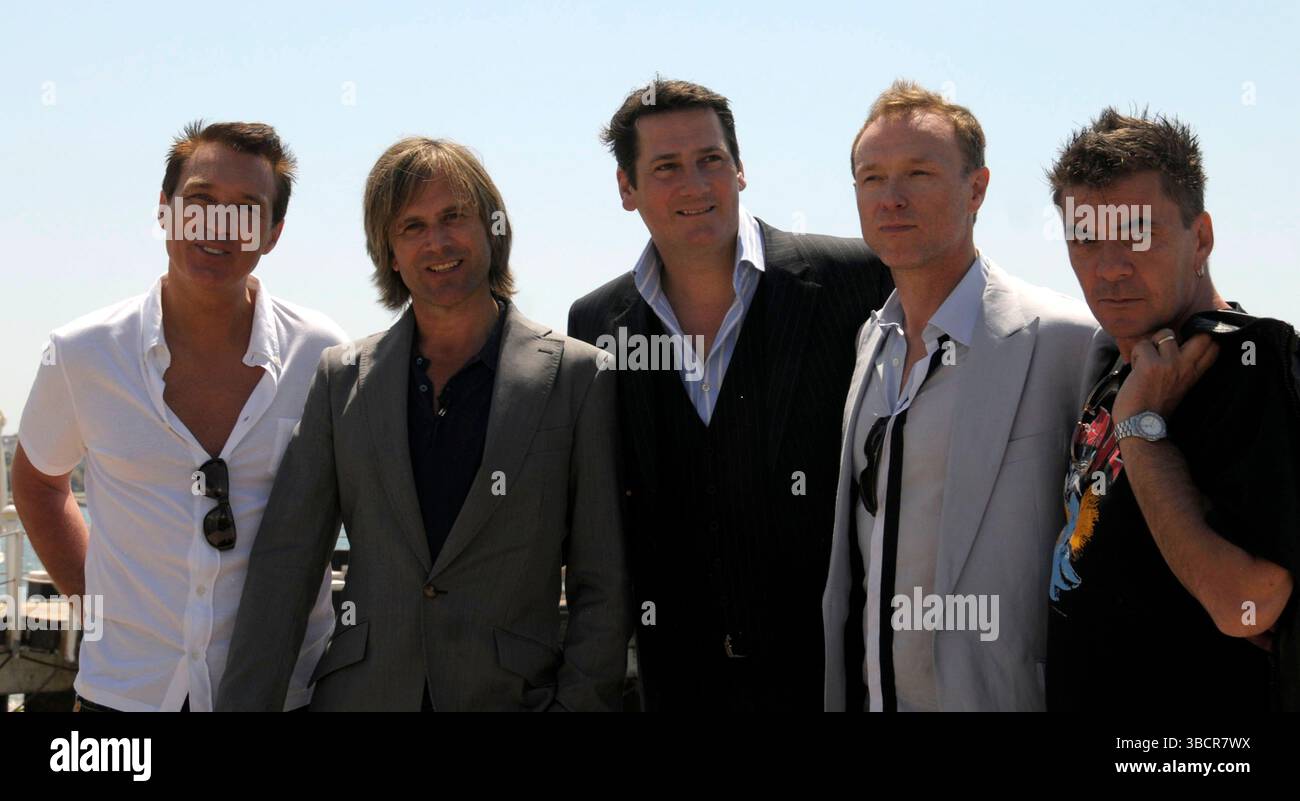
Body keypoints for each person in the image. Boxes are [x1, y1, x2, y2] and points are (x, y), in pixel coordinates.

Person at [217, 137, 630, 711]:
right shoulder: (342, 379)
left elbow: (604, 582)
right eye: (411, 226)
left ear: (492, 228)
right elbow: (286, 566)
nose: (437, 242)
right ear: (388, 252)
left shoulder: (579, 378)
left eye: (453, 217)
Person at [568, 78, 894, 710]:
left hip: (834, 679)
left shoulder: (856, 280)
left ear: (740, 169)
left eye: (710, 160)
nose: (694, 185)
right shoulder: (596, 324)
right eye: (665, 167)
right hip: (676, 682)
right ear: (626, 189)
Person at [12, 121, 346, 711]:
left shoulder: (323, 354)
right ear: (164, 212)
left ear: (272, 234)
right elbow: (39, 482)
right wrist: (98, 604)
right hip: (125, 693)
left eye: (247, 208)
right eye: (200, 201)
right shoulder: (83, 352)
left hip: (282, 694)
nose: (219, 224)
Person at [822, 80, 1097, 712]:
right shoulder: (871, 342)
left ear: (976, 189)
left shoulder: (1065, 339)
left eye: (918, 173)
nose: (891, 198)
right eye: (872, 178)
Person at [1046, 108, 1298, 711]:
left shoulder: (1248, 360)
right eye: (1085, 238)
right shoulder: (1119, 361)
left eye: (1137, 232)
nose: (1109, 267)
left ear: (1201, 238)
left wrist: (1142, 434)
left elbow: (1249, 604)